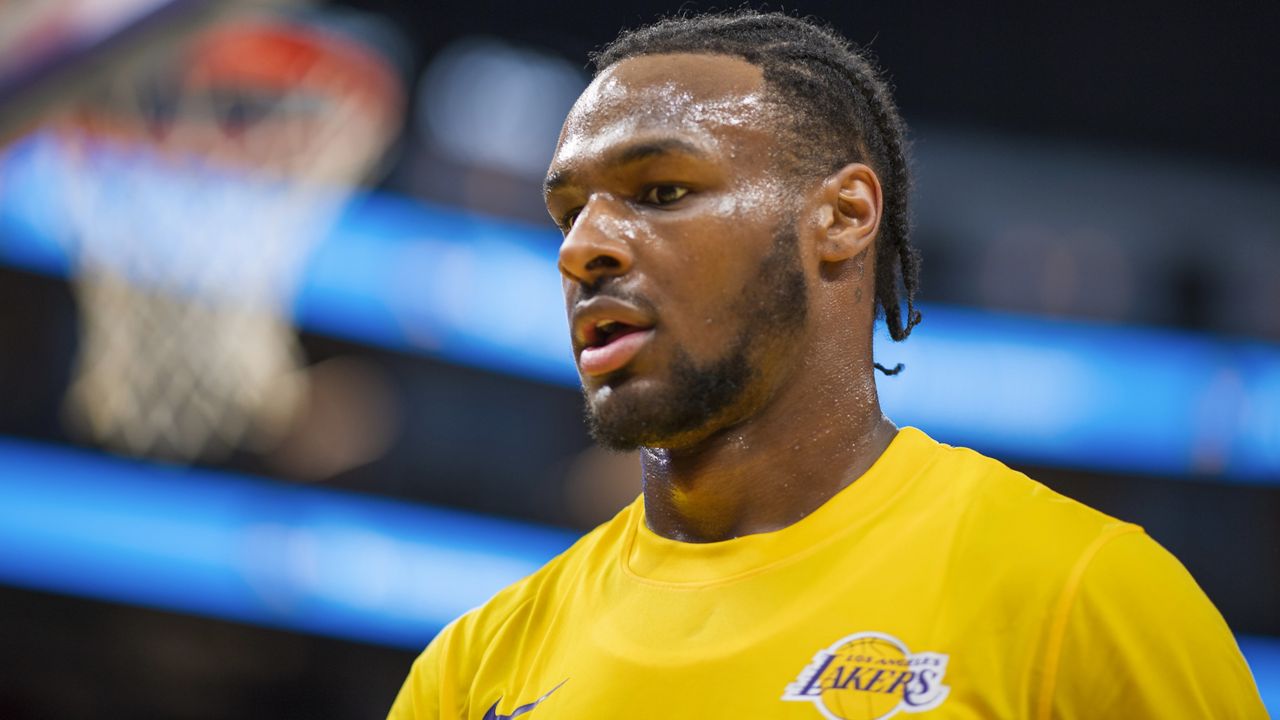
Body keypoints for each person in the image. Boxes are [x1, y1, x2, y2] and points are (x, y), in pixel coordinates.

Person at [389, 10, 1266, 719]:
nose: (584, 249)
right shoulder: (474, 668)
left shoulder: (1082, 597)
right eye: (570, 211)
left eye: (662, 192)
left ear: (844, 217)